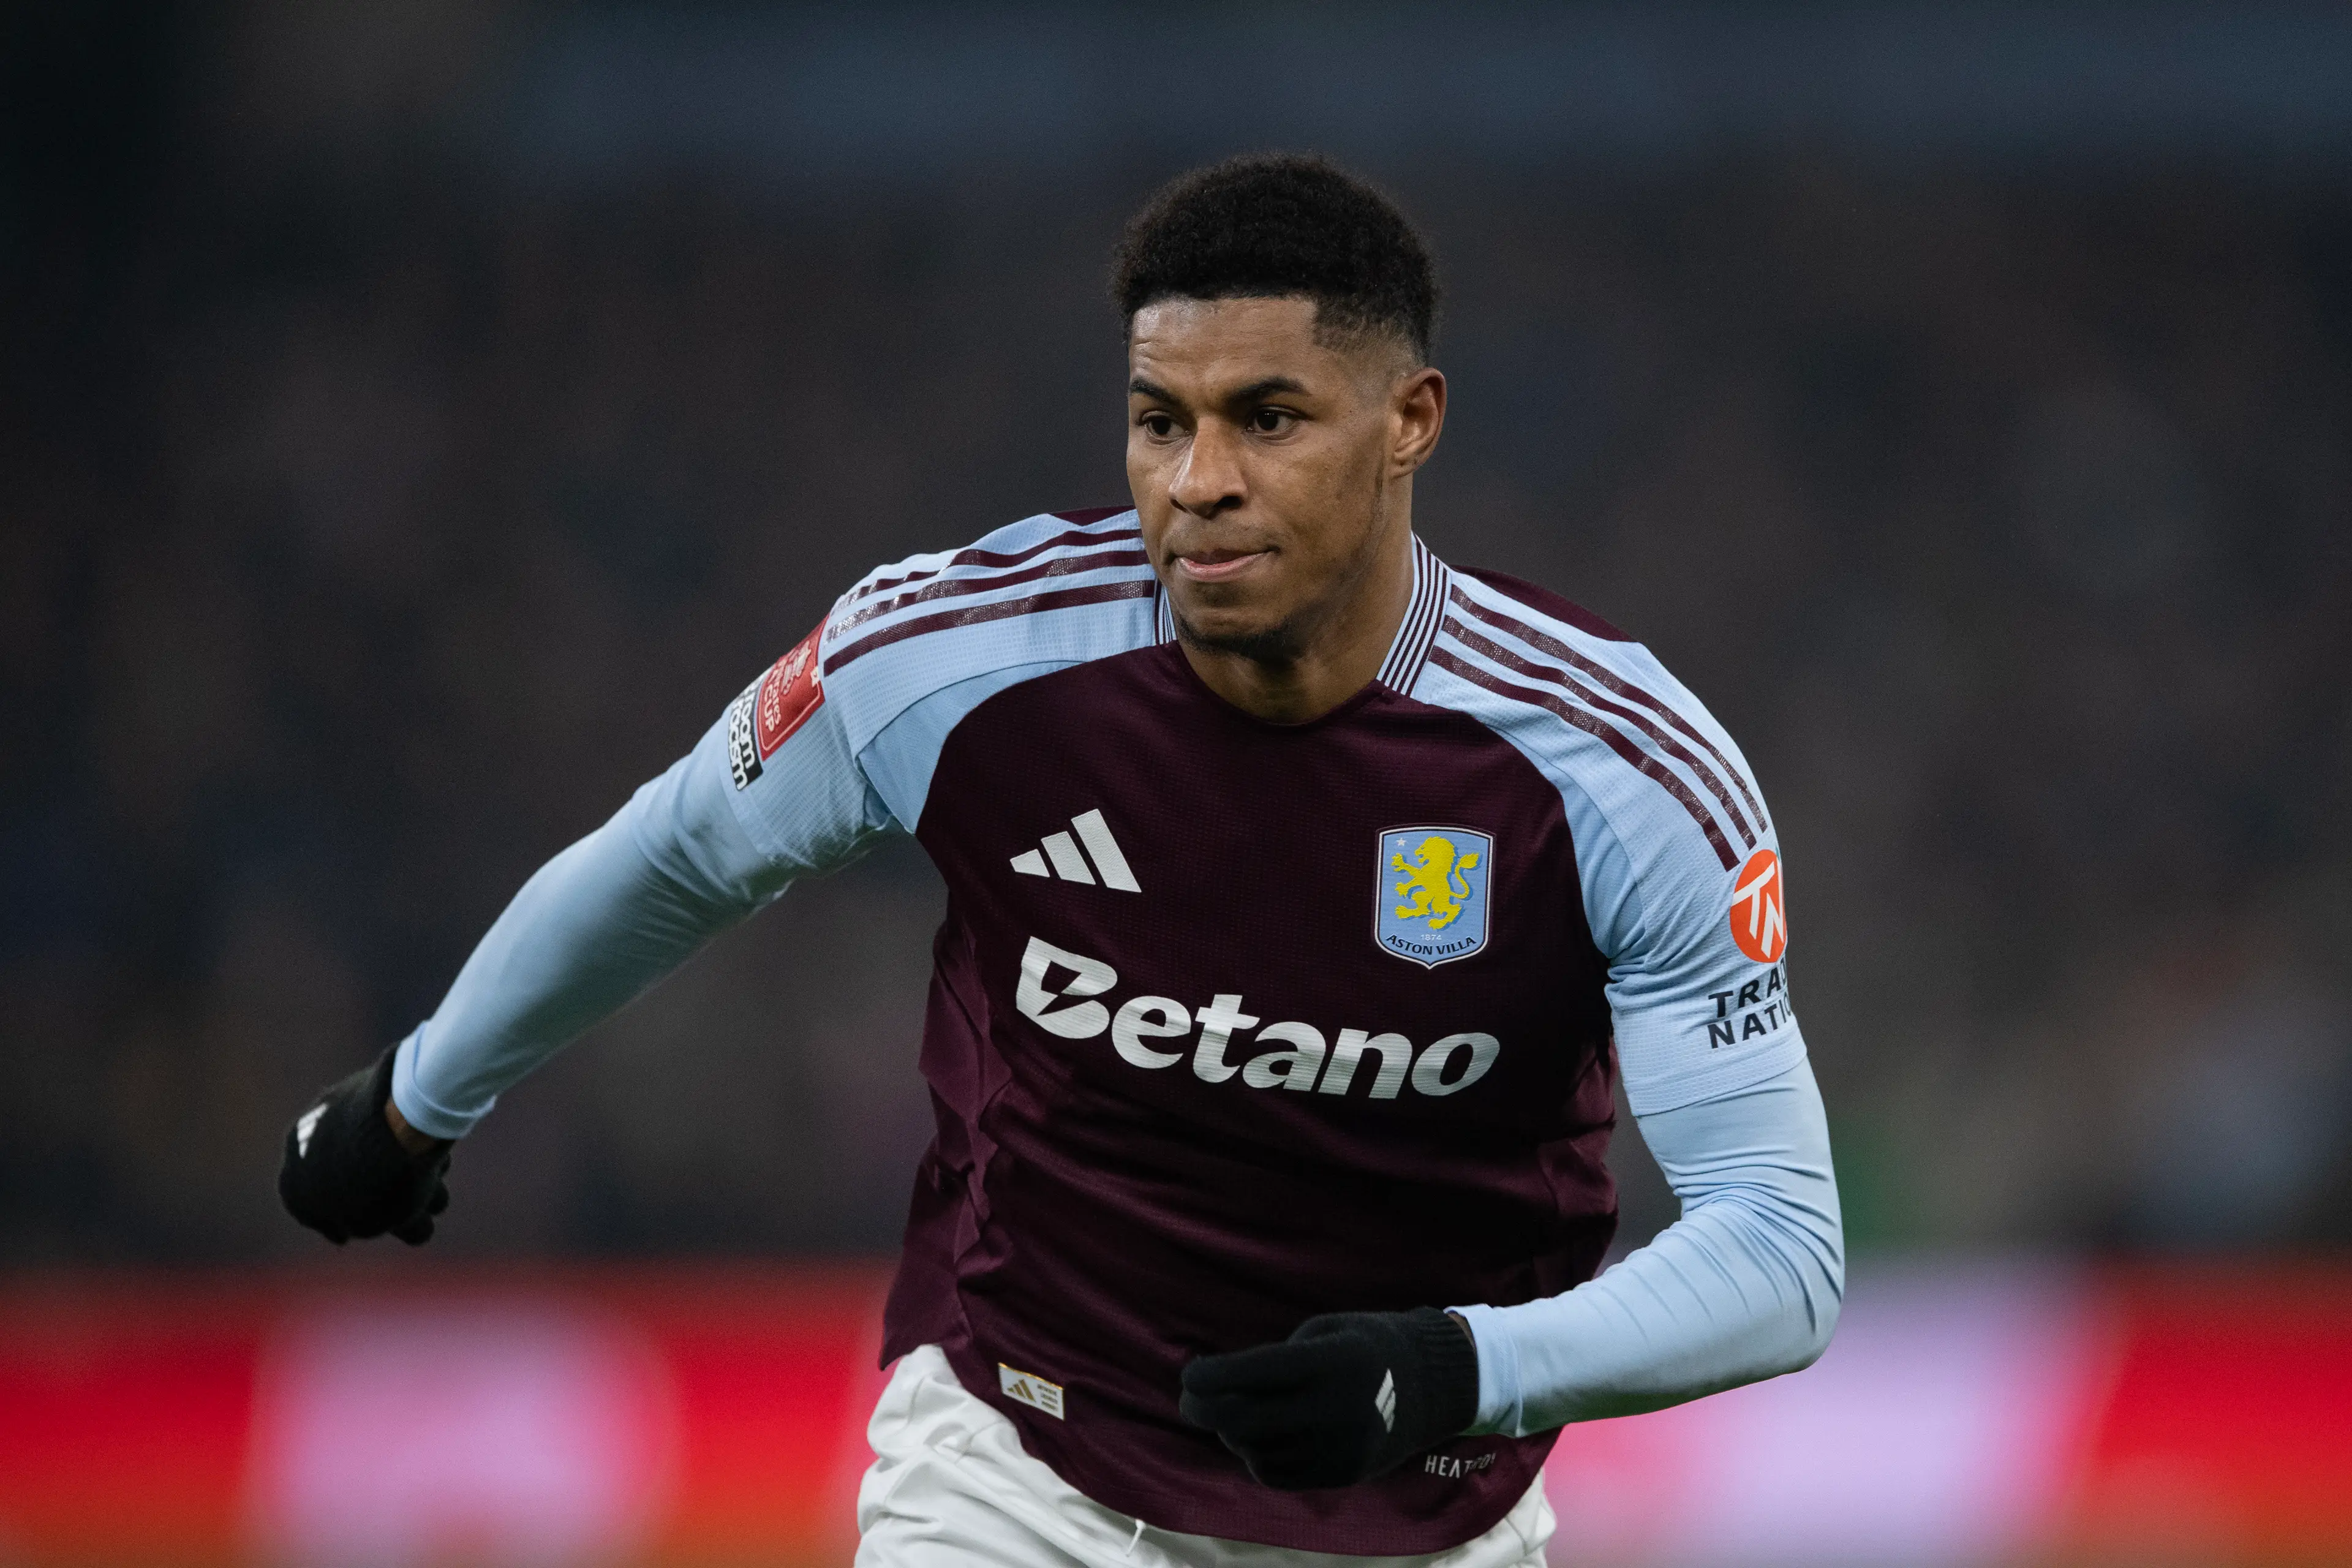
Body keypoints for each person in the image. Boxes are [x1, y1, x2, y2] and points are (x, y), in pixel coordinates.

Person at [279, 154, 1842, 1567]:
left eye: (1270, 418)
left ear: (1411, 422)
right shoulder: (954, 657)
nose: (1198, 481)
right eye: (1163, 419)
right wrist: (421, 1094)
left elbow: (1783, 1247)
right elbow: (678, 854)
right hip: (1020, 1461)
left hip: (1421, 1507)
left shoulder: (1618, 768)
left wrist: (1450, 1365)